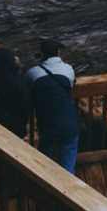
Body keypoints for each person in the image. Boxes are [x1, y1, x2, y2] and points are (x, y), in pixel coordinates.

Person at [25, 39, 80, 174]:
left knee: (45, 160)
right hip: (69, 122)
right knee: (68, 155)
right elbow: (71, 86)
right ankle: (67, 187)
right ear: (58, 52)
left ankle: (46, 184)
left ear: (42, 54)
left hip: (47, 123)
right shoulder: (68, 69)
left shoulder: (32, 72)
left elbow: (28, 88)